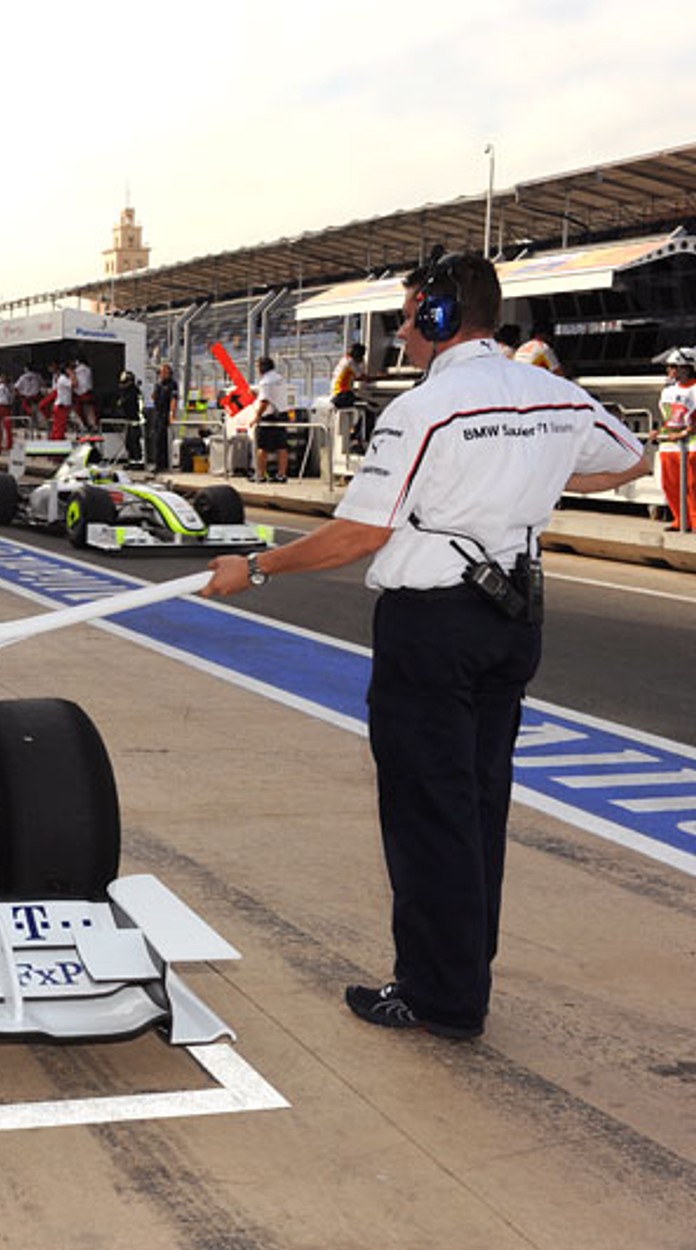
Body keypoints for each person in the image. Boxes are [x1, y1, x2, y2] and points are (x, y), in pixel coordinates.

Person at [200, 251, 649, 1040]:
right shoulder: (556, 393)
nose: (402, 334)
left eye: (409, 318)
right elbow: (628, 459)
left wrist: (256, 569)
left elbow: (359, 535)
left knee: (428, 813)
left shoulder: (428, 406)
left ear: (441, 318)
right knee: (479, 804)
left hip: (432, 628)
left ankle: (440, 995)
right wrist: (529, 474)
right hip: (512, 624)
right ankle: (464, 970)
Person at [653, 348, 696, 531]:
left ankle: (694, 521)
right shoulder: (667, 392)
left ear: (687, 367)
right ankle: (680, 519)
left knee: (692, 484)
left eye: (674, 366)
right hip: (670, 445)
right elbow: (668, 418)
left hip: (691, 445)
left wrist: (685, 433)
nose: (670, 371)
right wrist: (659, 432)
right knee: (670, 484)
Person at [248, 356, 291, 483]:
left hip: (269, 416)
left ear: (261, 367)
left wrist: (257, 417)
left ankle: (260, 475)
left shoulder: (265, 382)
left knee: (262, 447)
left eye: (257, 366)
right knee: (282, 446)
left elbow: (265, 401)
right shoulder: (280, 379)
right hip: (282, 413)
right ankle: (281, 475)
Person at [149, 363, 177, 471]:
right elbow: (154, 397)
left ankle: (162, 464)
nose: (162, 374)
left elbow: (174, 400)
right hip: (157, 412)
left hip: (165, 413)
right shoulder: (159, 384)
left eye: (164, 372)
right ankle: (157, 462)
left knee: (162, 439)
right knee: (156, 439)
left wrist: (171, 414)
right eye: (161, 372)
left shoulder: (172, 384)